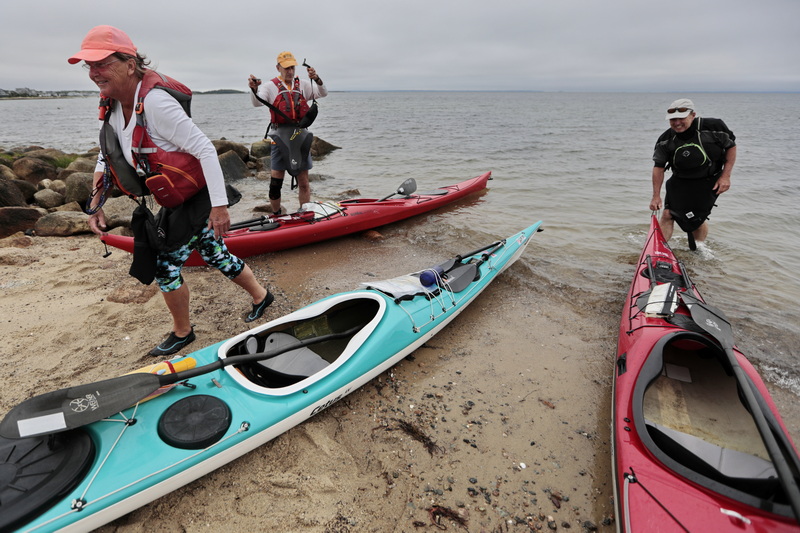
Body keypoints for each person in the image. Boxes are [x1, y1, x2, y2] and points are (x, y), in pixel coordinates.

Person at [69, 25, 274, 357]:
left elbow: (206, 150)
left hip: (196, 197)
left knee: (166, 266)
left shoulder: (156, 103)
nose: (93, 73)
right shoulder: (112, 102)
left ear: (130, 64)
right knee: (214, 254)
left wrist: (219, 208)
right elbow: (106, 154)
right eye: (89, 66)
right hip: (175, 196)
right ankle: (262, 296)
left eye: (101, 64)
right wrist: (97, 201)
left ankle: (183, 332)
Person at [248, 51, 328, 215]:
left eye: (292, 67)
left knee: (304, 182)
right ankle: (277, 214)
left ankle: (305, 213)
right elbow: (256, 103)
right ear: (278, 67)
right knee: (276, 181)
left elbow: (323, 93)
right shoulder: (270, 87)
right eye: (286, 68)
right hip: (279, 136)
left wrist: (317, 78)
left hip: (299, 136)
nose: (290, 71)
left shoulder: (304, 84)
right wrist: (254, 89)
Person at [650, 98, 737, 248]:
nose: (676, 123)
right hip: (680, 179)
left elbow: (731, 146)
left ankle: (699, 250)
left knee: (696, 219)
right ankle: (659, 250)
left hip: (708, 180)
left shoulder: (713, 127)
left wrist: (726, 176)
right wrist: (656, 196)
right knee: (668, 214)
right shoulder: (665, 140)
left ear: (693, 115)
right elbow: (658, 167)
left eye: (681, 118)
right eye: (672, 119)